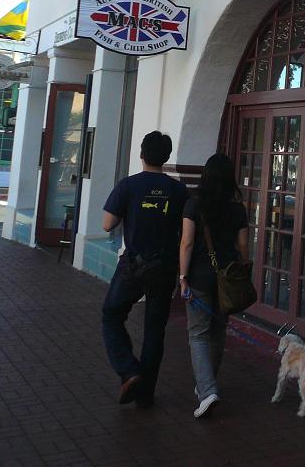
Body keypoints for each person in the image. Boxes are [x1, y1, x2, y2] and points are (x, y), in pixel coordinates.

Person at [101, 130, 189, 407]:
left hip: (134, 265)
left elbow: (107, 224)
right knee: (155, 328)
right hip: (165, 267)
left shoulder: (128, 186)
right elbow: (186, 232)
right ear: (166, 157)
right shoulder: (178, 190)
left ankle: (129, 370)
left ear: (141, 154)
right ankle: (146, 391)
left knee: (111, 315)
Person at [178, 153, 249, 418]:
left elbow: (186, 242)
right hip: (226, 278)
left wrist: (182, 277)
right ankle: (207, 385)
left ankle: (207, 390)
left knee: (198, 334)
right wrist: (243, 270)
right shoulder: (237, 209)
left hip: (198, 277)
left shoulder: (193, 205)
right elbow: (243, 246)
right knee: (218, 331)